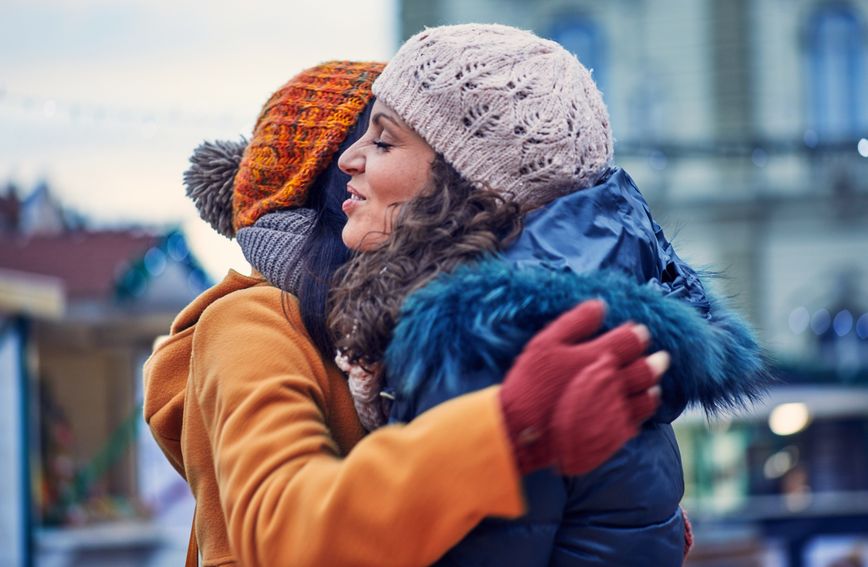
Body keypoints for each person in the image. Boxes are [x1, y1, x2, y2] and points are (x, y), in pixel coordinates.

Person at [144, 60, 664, 567]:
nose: (358, 159)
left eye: (387, 140)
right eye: (372, 137)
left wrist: (607, 521)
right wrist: (503, 427)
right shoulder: (254, 322)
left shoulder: (405, 328)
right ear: (331, 184)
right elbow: (282, 527)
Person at [327, 24, 770, 565]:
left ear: (467, 175)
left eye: (384, 139)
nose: (350, 158)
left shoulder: (486, 340)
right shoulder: (566, 316)